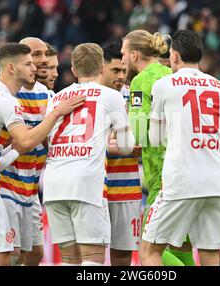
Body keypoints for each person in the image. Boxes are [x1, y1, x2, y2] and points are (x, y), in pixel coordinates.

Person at [0, 43, 85, 266]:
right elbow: (26, 140)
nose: (35, 67)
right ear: (11, 68)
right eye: (28, 63)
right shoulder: (6, 101)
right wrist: (56, 113)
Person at [139, 30, 220, 266]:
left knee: (149, 251)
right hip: (215, 181)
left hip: (180, 181)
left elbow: (155, 137)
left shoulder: (164, 85)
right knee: (211, 254)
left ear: (175, 56)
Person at [42, 43, 135, 266]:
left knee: (69, 260)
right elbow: (126, 146)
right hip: (86, 184)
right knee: (92, 260)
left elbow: (47, 140)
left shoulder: (55, 99)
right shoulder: (111, 97)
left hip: (54, 185)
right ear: (101, 68)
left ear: (73, 70)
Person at [121, 29, 192, 266]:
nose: (121, 61)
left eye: (123, 54)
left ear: (133, 55)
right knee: (182, 248)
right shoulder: (173, 74)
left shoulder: (141, 81)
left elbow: (139, 134)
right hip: (190, 169)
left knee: (148, 249)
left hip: (162, 176)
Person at [0, 37, 52, 266]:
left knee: (35, 253)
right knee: (8, 253)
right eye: (35, 55)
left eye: (44, 54)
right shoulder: (7, 93)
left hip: (31, 187)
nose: (41, 60)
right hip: (6, 183)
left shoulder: (48, 95)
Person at [96, 42, 142, 266]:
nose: (121, 76)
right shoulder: (90, 96)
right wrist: (117, 144)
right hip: (94, 190)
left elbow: (140, 140)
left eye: (124, 70)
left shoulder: (134, 97)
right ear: (101, 68)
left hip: (126, 187)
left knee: (123, 254)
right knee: (89, 255)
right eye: (115, 70)